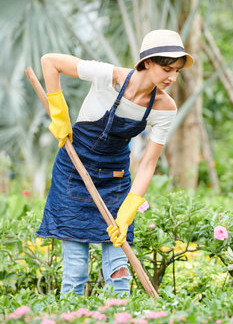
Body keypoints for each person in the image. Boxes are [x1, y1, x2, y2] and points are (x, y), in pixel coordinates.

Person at [37, 29, 193, 296]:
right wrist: (59, 112)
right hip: (74, 171)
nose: (172, 77)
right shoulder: (108, 77)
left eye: (177, 70)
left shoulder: (165, 108)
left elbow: (148, 163)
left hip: (116, 179)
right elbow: (50, 61)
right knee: (75, 271)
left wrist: (129, 208)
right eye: (167, 68)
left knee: (119, 269)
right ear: (147, 63)